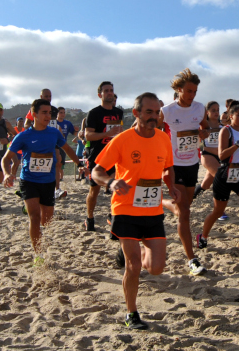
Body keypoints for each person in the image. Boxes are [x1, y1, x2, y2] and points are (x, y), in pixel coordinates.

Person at [91, 92, 178, 330]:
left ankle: (134, 247)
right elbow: (96, 171)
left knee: (157, 268)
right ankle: (131, 313)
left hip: (151, 210)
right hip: (125, 209)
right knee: (134, 266)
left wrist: (171, 186)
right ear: (137, 113)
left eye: (156, 112)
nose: (153, 116)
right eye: (148, 112)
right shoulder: (122, 140)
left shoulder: (163, 139)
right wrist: (110, 183)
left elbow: (168, 168)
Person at [3, 99, 79, 266]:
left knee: (47, 220)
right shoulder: (23, 136)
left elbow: (67, 149)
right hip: (29, 180)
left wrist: (80, 165)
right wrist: (7, 174)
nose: (48, 116)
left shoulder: (54, 133)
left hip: (48, 182)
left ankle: (39, 235)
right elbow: (6, 158)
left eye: (49, 113)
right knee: (35, 218)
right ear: (34, 114)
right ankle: (38, 254)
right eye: (44, 112)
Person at [160, 69, 211, 276]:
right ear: (179, 90)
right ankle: (192, 259)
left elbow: (206, 128)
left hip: (192, 162)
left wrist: (203, 133)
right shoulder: (167, 110)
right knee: (186, 214)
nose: (192, 95)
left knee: (184, 208)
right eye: (189, 91)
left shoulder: (200, 108)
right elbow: (151, 130)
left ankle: (162, 202)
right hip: (173, 164)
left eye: (195, 91)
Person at [196, 103, 239, 254]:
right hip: (225, 173)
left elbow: (238, 154)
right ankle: (203, 236)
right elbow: (222, 155)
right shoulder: (226, 131)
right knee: (218, 212)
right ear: (230, 116)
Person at [84, 81, 123, 231]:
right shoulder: (94, 113)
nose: (109, 93)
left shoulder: (118, 112)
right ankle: (90, 217)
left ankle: (112, 215)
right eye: (106, 91)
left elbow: (118, 132)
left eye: (111, 90)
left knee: (115, 185)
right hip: (97, 156)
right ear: (100, 94)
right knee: (94, 190)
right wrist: (106, 134)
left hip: (114, 155)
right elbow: (88, 135)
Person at [192, 101, 221, 202]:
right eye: (213, 110)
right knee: (221, 179)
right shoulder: (203, 125)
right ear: (207, 112)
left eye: (217, 110)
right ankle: (220, 208)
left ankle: (191, 197)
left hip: (220, 157)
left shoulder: (222, 125)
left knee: (206, 184)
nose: (216, 112)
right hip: (208, 156)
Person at [53, 107, 77, 198]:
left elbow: (74, 133)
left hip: (62, 146)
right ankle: (56, 188)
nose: (62, 114)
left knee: (59, 165)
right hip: (52, 146)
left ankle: (57, 187)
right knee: (54, 165)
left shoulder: (67, 123)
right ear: (57, 114)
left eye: (63, 112)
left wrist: (77, 131)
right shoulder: (53, 123)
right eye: (61, 112)